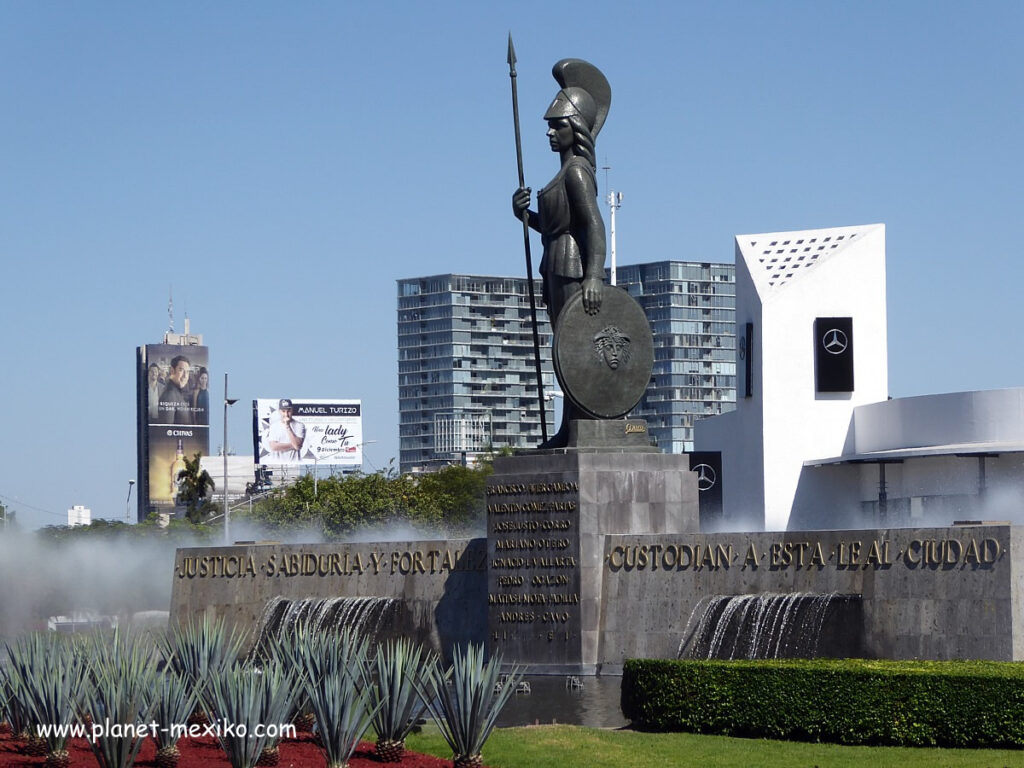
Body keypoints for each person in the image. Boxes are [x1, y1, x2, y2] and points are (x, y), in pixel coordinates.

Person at [512, 59, 611, 447]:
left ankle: (584, 426)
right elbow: (555, 227)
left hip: (572, 270)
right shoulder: (563, 172)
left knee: (572, 352)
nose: (551, 132)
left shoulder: (577, 173)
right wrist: (525, 216)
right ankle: (569, 429)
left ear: (578, 129)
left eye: (559, 125)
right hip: (554, 264)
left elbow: (592, 225)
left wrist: (594, 276)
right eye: (551, 126)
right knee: (562, 354)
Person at [158, 355, 192, 425]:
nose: (185, 376)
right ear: (172, 371)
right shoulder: (170, 395)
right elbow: (167, 430)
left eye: (188, 372)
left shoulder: (178, 391)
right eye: (181, 370)